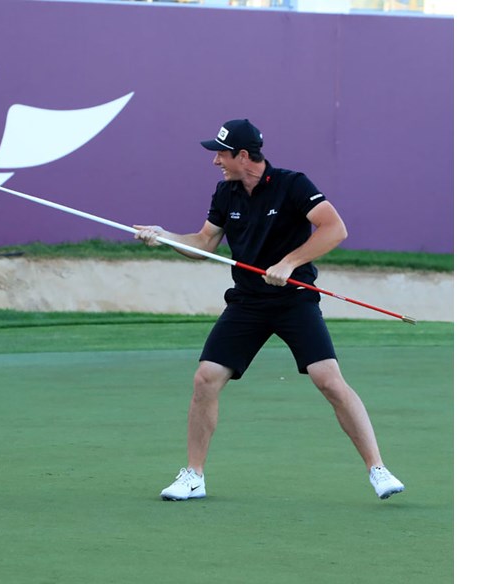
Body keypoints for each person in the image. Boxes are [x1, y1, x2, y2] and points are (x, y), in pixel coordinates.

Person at [133, 119, 405, 502]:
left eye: (221, 154)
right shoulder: (226, 193)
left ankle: (378, 469)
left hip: (293, 299)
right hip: (247, 302)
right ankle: (193, 476)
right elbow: (204, 242)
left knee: (327, 378)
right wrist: (164, 236)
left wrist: (290, 262)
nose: (215, 162)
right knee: (205, 378)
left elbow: (334, 229)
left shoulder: (294, 184)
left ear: (243, 155)